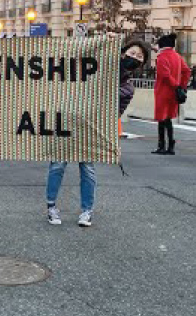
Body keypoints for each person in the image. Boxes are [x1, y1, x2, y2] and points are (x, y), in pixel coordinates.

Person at [46, 38, 150, 228]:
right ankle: (51, 206)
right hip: (70, 119)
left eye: (139, 56)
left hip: (92, 128)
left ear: (142, 63)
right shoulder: (101, 65)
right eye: (132, 53)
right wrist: (106, 39)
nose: (134, 57)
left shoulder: (127, 89)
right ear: (122, 52)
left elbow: (115, 113)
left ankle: (87, 211)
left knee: (87, 168)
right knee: (58, 165)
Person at [152, 33, 191, 156]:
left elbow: (164, 75)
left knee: (161, 119)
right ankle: (171, 146)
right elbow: (187, 71)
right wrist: (182, 86)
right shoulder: (177, 56)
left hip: (163, 91)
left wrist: (176, 85)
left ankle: (162, 145)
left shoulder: (161, 57)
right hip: (174, 93)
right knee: (168, 119)